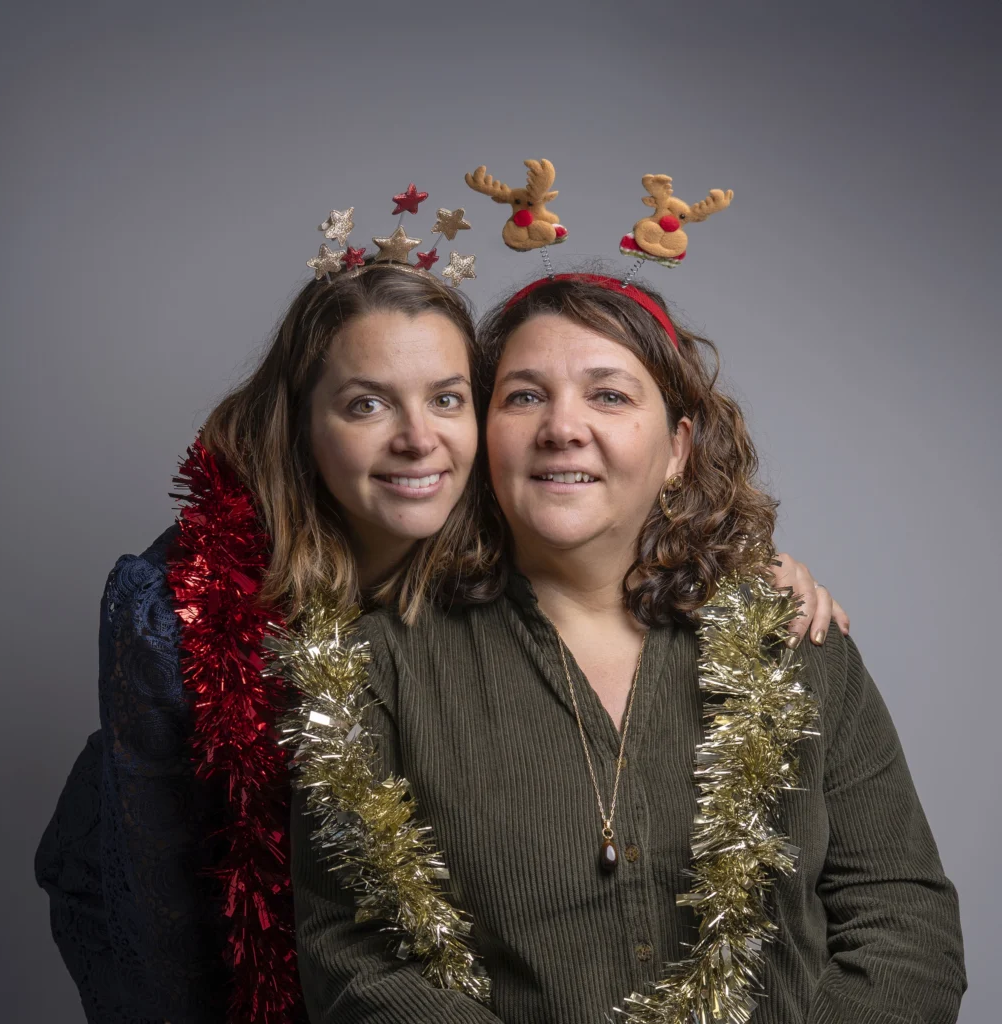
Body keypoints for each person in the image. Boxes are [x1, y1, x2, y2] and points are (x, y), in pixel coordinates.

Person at [35, 252, 841, 1021]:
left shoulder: (488, 532)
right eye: (366, 404)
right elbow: (158, 905)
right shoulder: (185, 603)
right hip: (166, 905)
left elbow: (600, 494)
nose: (418, 439)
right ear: (304, 427)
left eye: (448, 399)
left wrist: (745, 565)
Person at [290, 272, 965, 1024]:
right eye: (523, 395)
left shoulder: (791, 641)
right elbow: (358, 963)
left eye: (608, 395)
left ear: (677, 449)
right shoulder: (378, 668)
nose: (562, 427)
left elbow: (902, 919)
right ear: (484, 437)